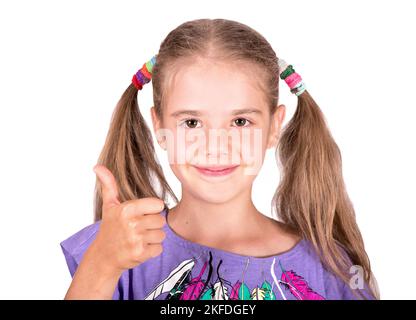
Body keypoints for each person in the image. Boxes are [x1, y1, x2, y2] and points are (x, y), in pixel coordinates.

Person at [61, 18, 379, 300]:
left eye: (240, 122)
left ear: (273, 127)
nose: (215, 146)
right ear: (159, 126)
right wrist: (101, 265)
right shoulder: (116, 251)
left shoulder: (330, 270)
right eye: (192, 123)